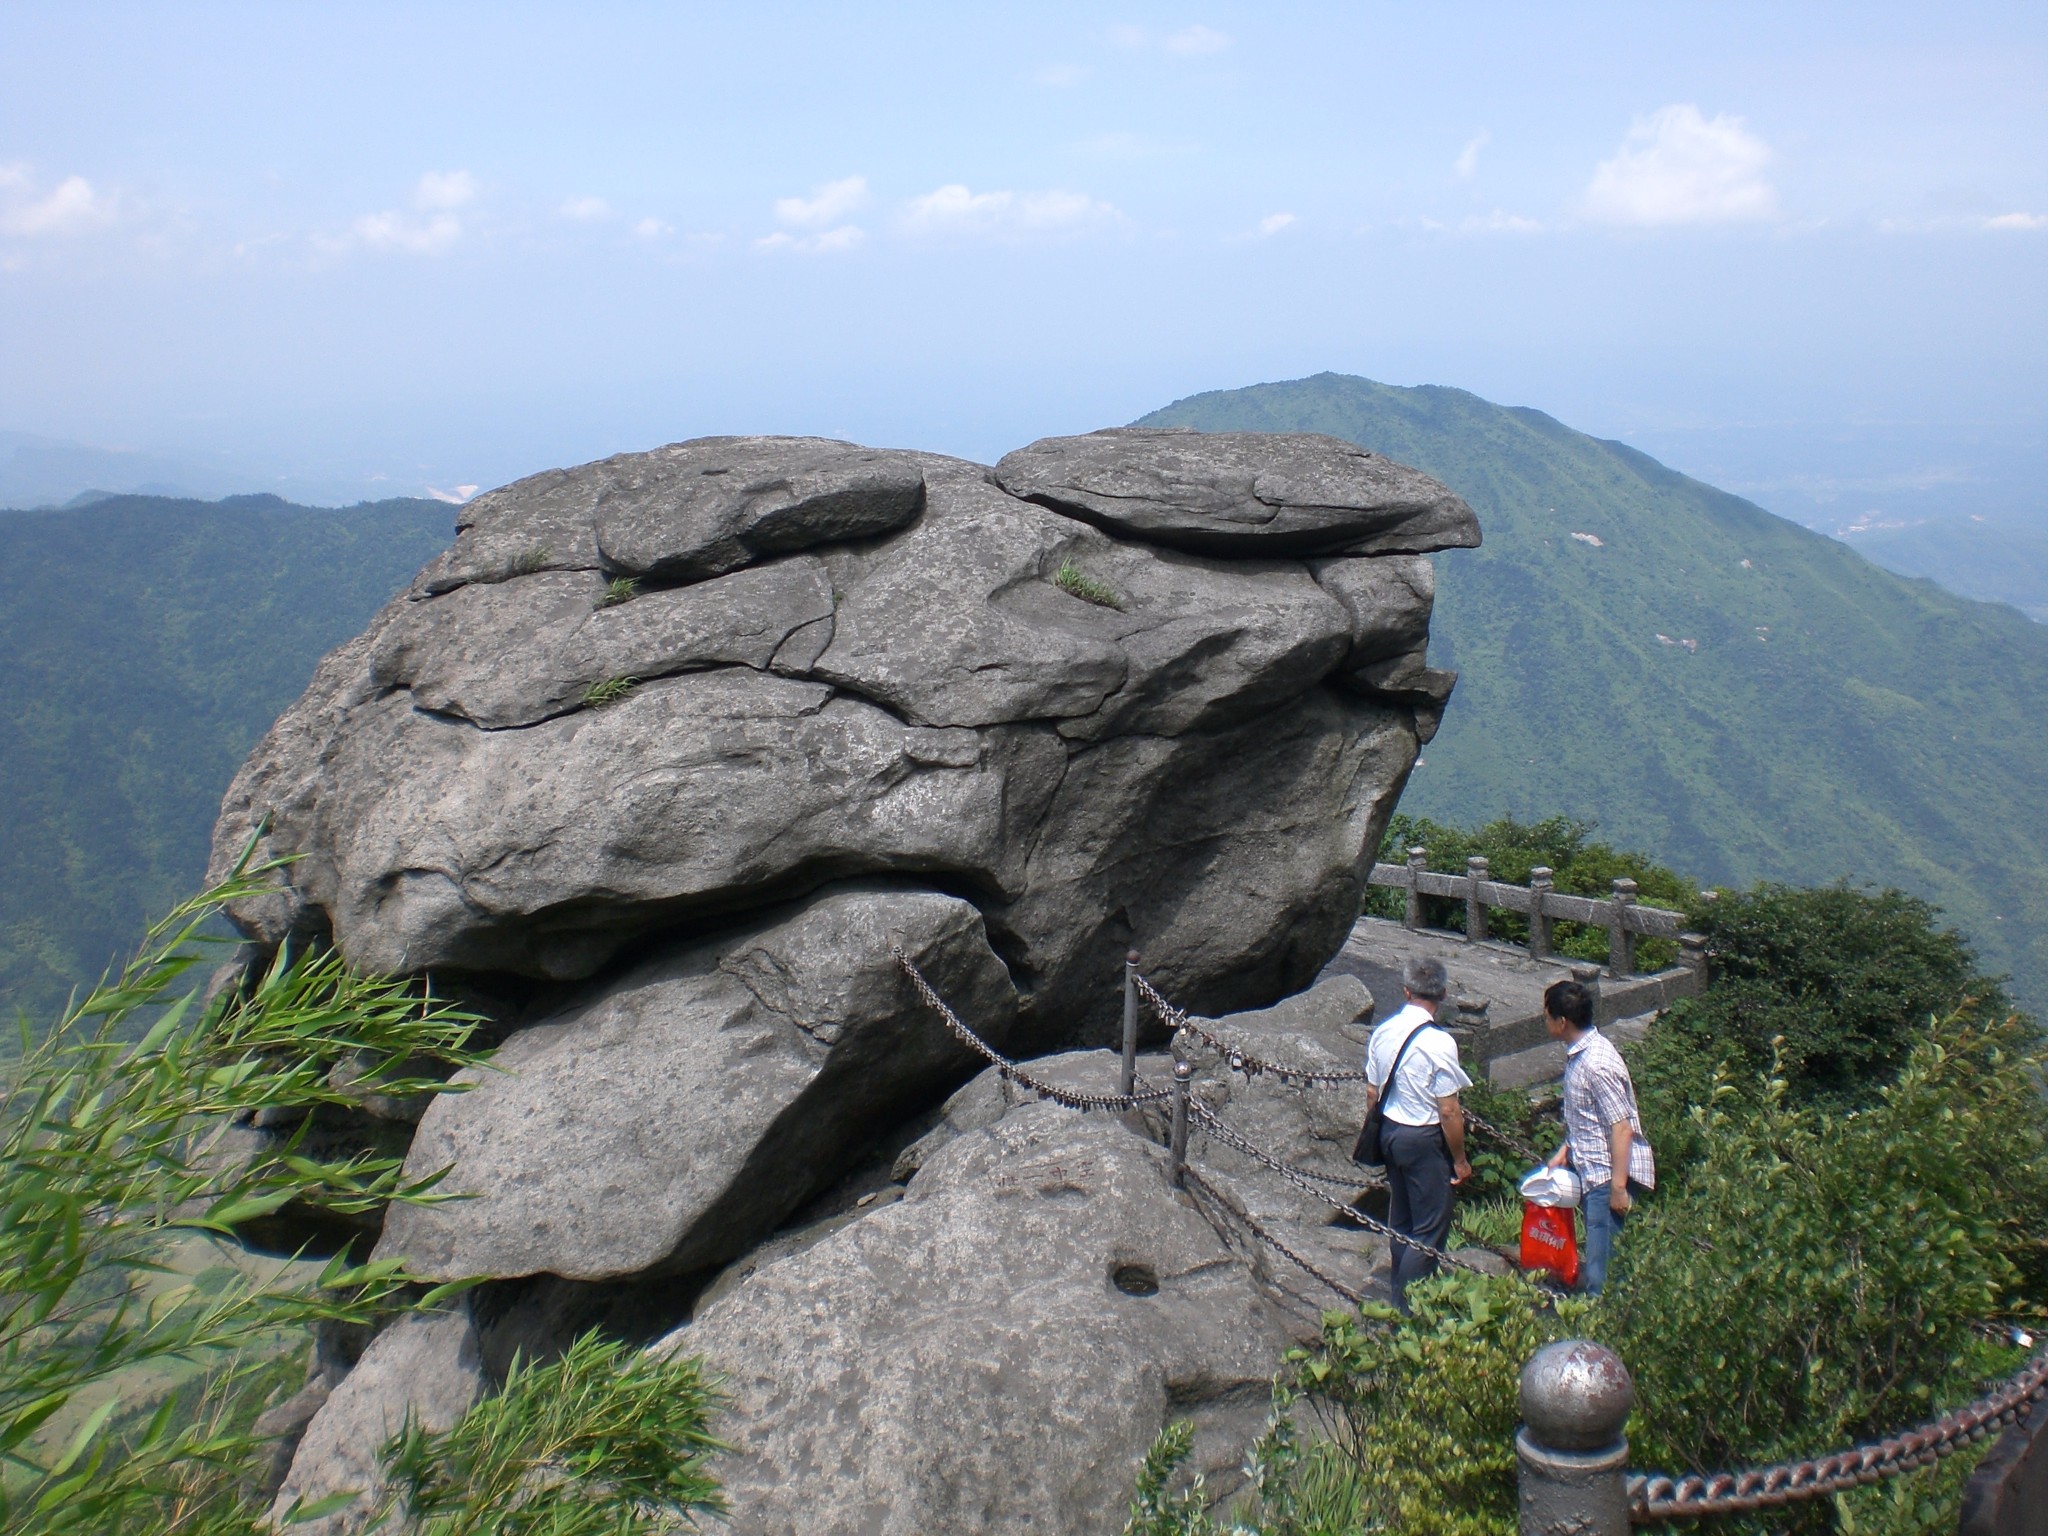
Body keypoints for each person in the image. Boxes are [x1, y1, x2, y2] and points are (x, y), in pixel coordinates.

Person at [1363, 957, 1472, 1311]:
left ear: (1406, 990)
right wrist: (1459, 1159)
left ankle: (1398, 1297)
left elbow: (1371, 1093)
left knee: (1402, 1220)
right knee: (1428, 1230)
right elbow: (1448, 1109)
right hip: (1423, 1138)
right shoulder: (1440, 1043)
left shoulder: (1383, 1031)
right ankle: (1410, 1309)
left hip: (1390, 1131)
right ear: (1442, 993)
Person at [1540, 979, 1655, 1295]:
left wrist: (1618, 1188)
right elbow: (1591, 1116)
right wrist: (1567, 1148)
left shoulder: (1596, 1063)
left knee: (1601, 1271)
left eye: (1547, 1016)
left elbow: (1621, 1127)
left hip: (1606, 1178)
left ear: (1562, 1022)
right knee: (1599, 1259)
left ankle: (1598, 1333)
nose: (1545, 1021)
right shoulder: (1581, 1053)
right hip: (1593, 1171)